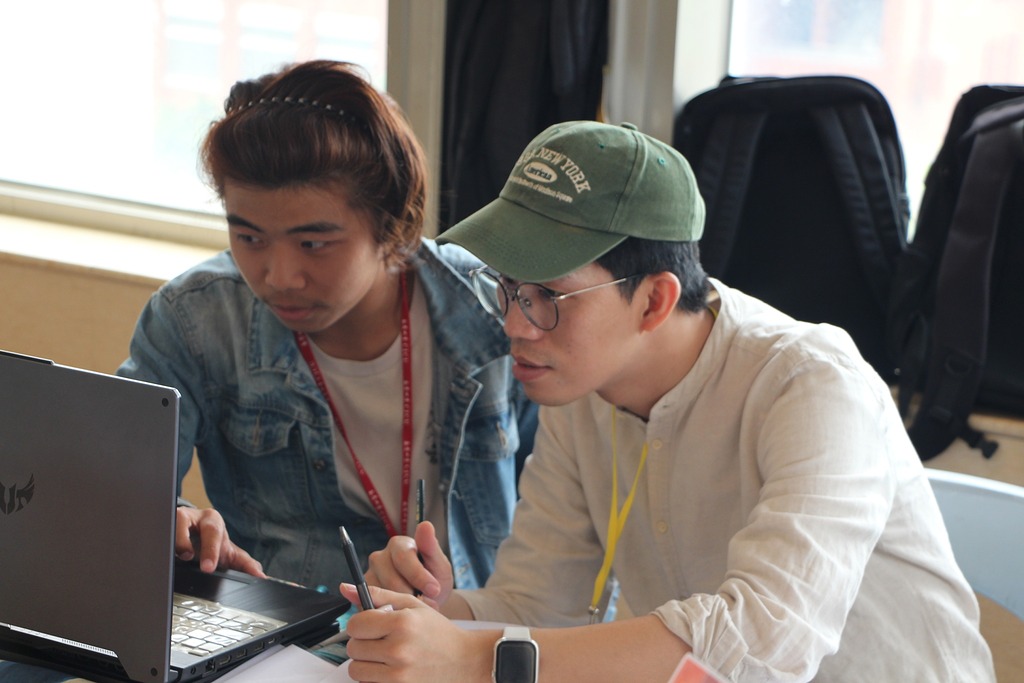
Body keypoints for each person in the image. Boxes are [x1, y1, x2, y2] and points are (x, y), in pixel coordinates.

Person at [340, 121, 996, 682]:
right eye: (506, 288)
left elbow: (765, 641)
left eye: (547, 296)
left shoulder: (811, 384)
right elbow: (541, 605)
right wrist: (439, 617)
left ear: (654, 300)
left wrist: (475, 656)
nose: (514, 324)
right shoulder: (581, 386)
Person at [114, 59, 535, 592]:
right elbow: (115, 490)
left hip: (469, 627)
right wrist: (179, 521)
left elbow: (563, 518)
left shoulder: (493, 307)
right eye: (249, 238)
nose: (279, 276)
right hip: (297, 631)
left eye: (313, 243)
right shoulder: (195, 319)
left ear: (390, 223)